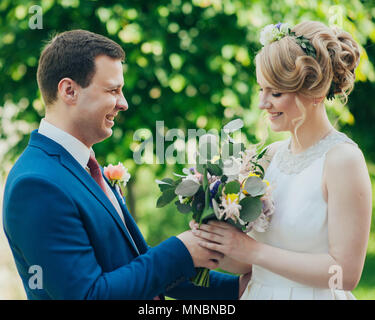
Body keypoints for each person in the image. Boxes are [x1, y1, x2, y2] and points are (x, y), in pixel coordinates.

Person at [2, 29, 249, 299]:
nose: (124, 103)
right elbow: (89, 295)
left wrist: (235, 290)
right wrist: (181, 250)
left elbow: (134, 264)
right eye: (113, 90)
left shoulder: (82, 166)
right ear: (69, 91)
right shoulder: (37, 184)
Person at [191, 21, 372, 300]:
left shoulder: (343, 160)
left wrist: (251, 250)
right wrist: (217, 241)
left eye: (276, 93)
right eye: (262, 89)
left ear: (315, 93)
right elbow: (253, 262)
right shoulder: (270, 156)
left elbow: (345, 274)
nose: (263, 103)